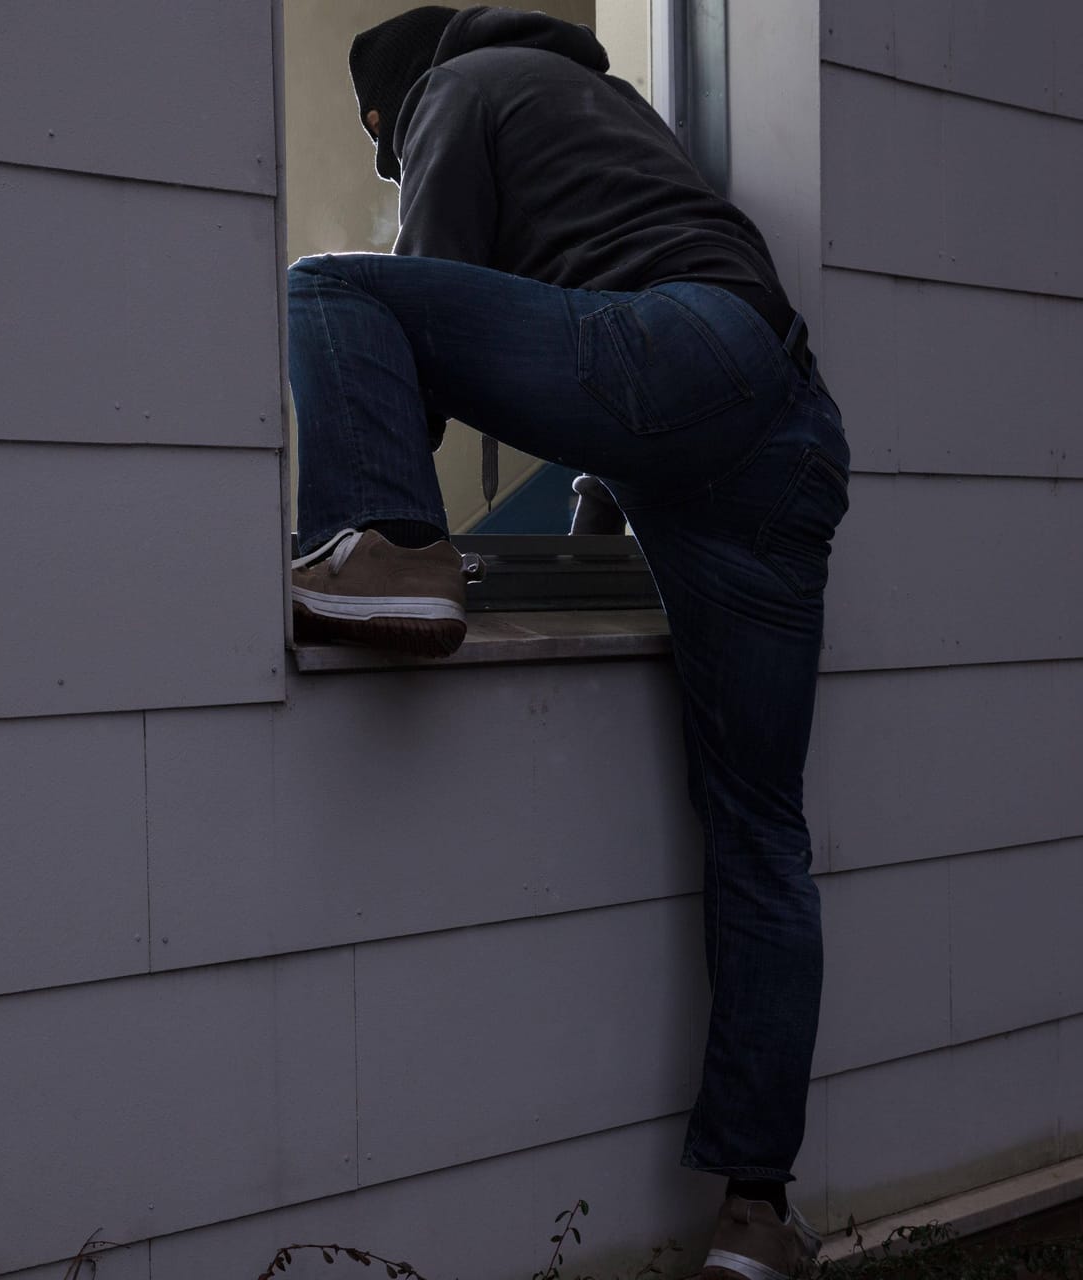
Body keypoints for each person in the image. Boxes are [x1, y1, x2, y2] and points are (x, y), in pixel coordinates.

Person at [288, 6, 848, 1276]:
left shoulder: (455, 91)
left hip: (685, 362)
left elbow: (420, 306)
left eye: (387, 147)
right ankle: (759, 1217)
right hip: (787, 427)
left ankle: (384, 552)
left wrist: (378, 493)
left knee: (327, 289)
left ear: (388, 112)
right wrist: (595, 507)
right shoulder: (606, 114)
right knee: (761, 828)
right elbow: (602, 340)